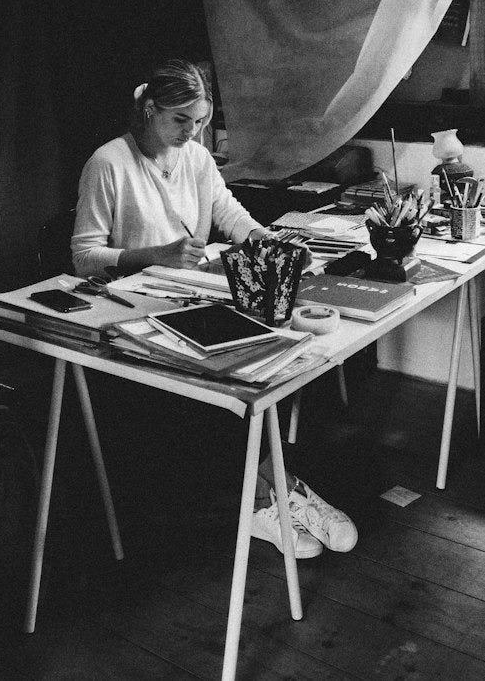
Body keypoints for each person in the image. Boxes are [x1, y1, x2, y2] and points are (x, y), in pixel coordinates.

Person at [71, 58, 356, 558]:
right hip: (137, 313)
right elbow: (84, 255)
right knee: (237, 386)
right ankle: (267, 500)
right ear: (150, 109)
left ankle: (282, 491)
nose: (192, 132)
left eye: (200, 121)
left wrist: (272, 243)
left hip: (194, 298)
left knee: (274, 365)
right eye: (181, 121)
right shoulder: (109, 163)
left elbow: (228, 213)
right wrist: (150, 255)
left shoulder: (197, 158)